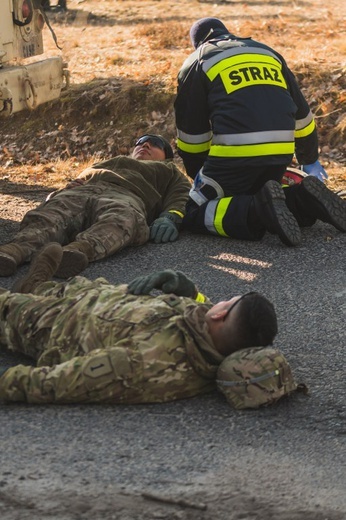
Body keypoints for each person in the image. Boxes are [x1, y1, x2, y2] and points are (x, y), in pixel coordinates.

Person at [0, 243, 278, 405]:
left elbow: (63, 382)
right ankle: (36, 287)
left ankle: (28, 294)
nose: (217, 302)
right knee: (73, 287)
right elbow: (208, 313)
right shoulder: (210, 337)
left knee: (10, 308)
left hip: (51, 325)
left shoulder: (144, 363)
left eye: (226, 301)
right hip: (94, 301)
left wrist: (7, 384)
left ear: (220, 315)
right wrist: (189, 291)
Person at [174, 18, 346, 246]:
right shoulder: (266, 52)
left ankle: (257, 211)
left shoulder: (198, 60)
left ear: (197, 42)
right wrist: (309, 159)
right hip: (280, 153)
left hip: (234, 157)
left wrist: (199, 175)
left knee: (192, 209)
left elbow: (192, 134)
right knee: (261, 192)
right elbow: (302, 116)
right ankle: (301, 199)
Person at [0, 134, 191, 280]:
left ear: (167, 157)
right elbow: (69, 186)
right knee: (50, 216)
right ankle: (13, 251)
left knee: (122, 220)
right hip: (84, 191)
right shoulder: (108, 162)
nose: (145, 145)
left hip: (126, 197)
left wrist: (170, 217)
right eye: (140, 142)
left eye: (155, 144)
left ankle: (77, 251)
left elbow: (181, 195)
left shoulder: (169, 170)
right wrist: (58, 195)